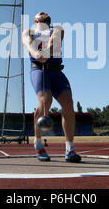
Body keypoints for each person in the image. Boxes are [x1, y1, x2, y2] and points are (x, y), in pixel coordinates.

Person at [22, 12, 81, 163]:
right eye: (39, 13)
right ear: (35, 21)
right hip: (38, 70)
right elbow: (28, 44)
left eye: (45, 13)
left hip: (56, 71)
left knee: (68, 102)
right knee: (45, 101)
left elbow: (56, 40)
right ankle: (38, 143)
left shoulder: (57, 29)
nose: (42, 13)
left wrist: (47, 52)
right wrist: (36, 53)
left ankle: (70, 149)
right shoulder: (28, 32)